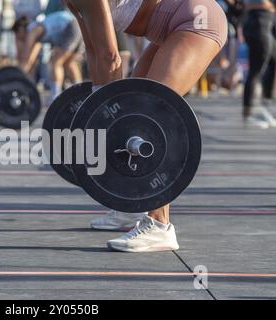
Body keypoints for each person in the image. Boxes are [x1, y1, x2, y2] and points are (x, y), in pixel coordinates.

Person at [64, 0, 228, 252]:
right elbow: (92, 48)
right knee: (134, 111)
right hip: (169, 29)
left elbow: (110, 56)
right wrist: (101, 108)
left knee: (148, 118)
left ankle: (160, 225)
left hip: (197, 21)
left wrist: (106, 116)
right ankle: (131, 205)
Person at [13, 11, 83, 101]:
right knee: (69, 62)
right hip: (76, 23)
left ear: (21, 29)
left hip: (70, 26)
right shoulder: (35, 30)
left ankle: (56, 96)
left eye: (17, 35)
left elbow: (25, 58)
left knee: (56, 62)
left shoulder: (32, 31)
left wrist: (14, 78)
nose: (19, 38)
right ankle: (81, 93)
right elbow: (30, 61)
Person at [242, 0, 276, 128]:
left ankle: (264, 104)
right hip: (259, 20)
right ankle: (249, 113)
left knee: (273, 61)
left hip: (264, 20)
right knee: (256, 69)